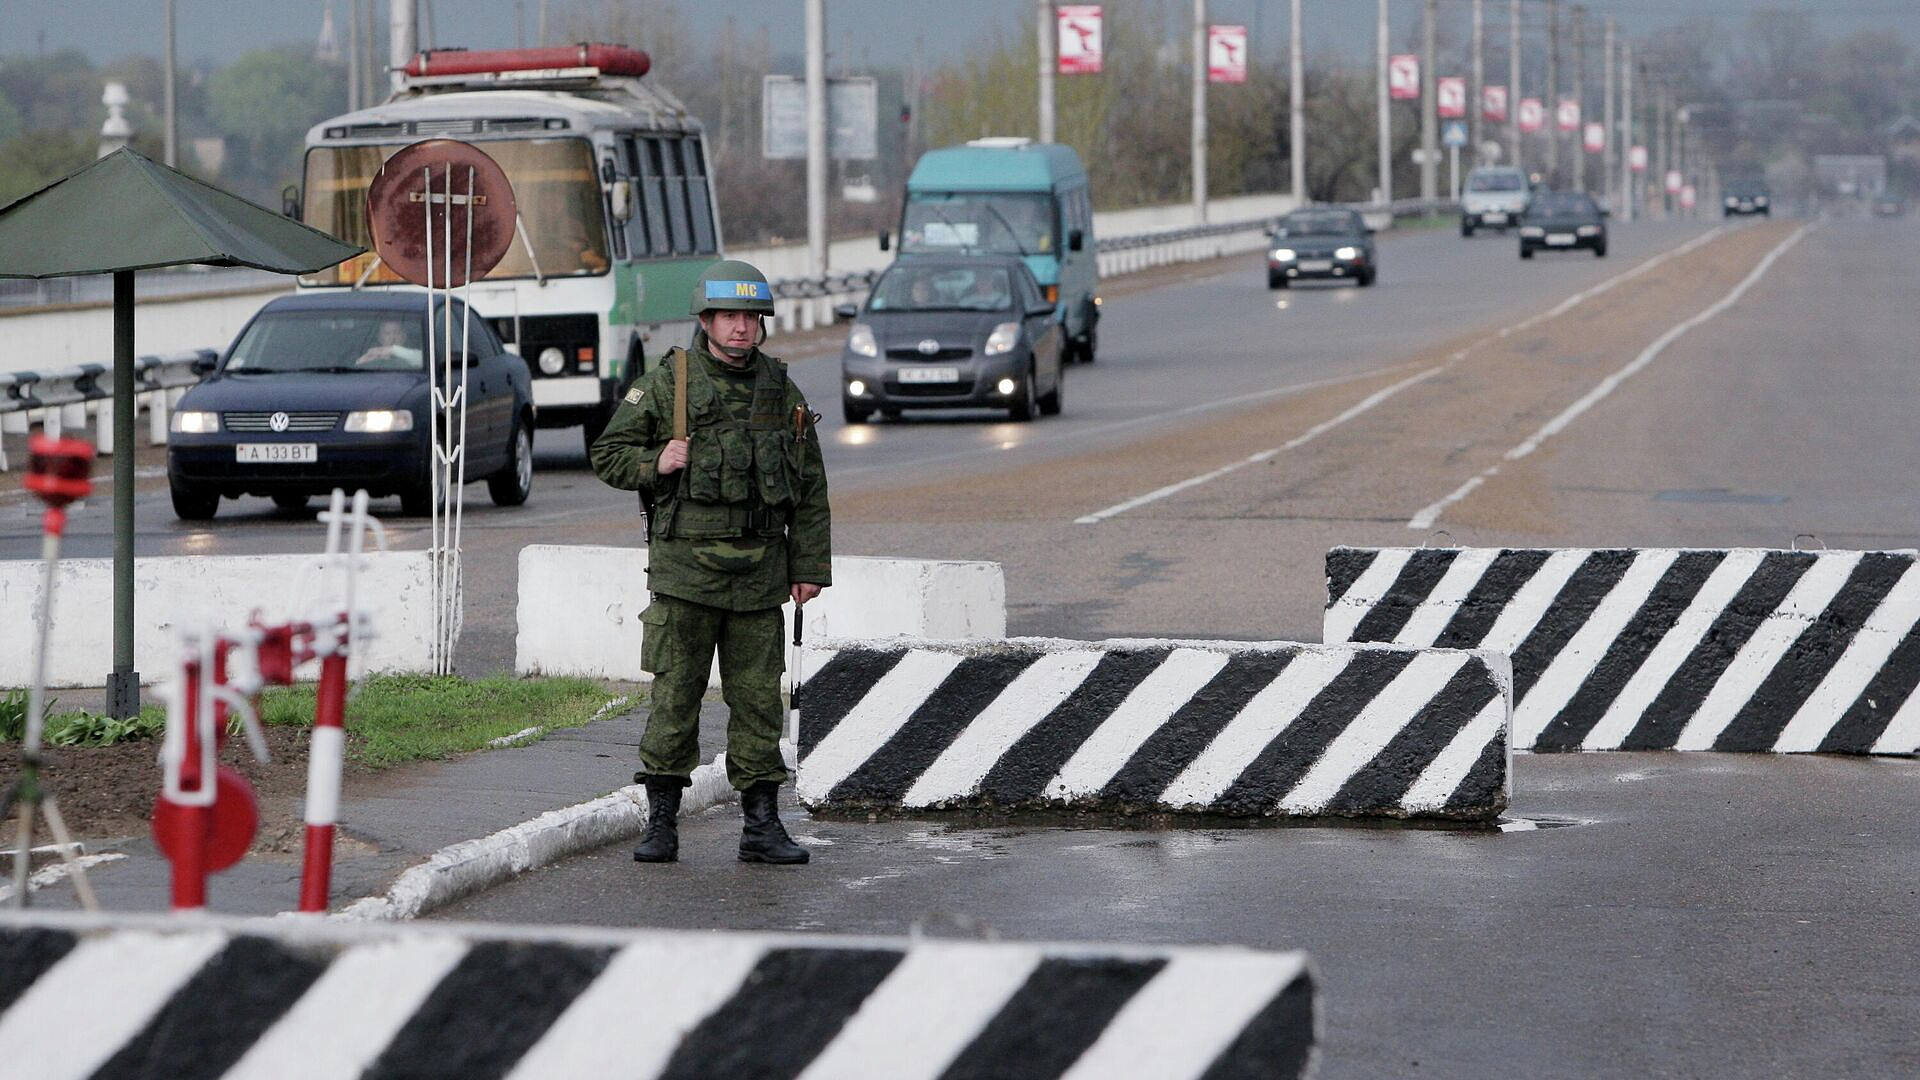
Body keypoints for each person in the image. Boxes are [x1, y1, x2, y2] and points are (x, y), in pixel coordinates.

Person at [589, 259, 831, 866]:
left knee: (757, 704)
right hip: (685, 574)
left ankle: (761, 826)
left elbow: (808, 487)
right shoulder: (669, 382)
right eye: (729, 317)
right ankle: (662, 823)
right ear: (706, 320)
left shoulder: (781, 390)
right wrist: (655, 464)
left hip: (758, 577)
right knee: (676, 700)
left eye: (751, 317)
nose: (741, 329)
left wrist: (808, 568)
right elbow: (608, 452)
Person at [354, 318, 422, 366]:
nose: (392, 337)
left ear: (404, 336)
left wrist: (394, 350)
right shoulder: (370, 358)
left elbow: (427, 362)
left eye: (397, 332)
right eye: (387, 333)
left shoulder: (415, 356)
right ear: (379, 338)